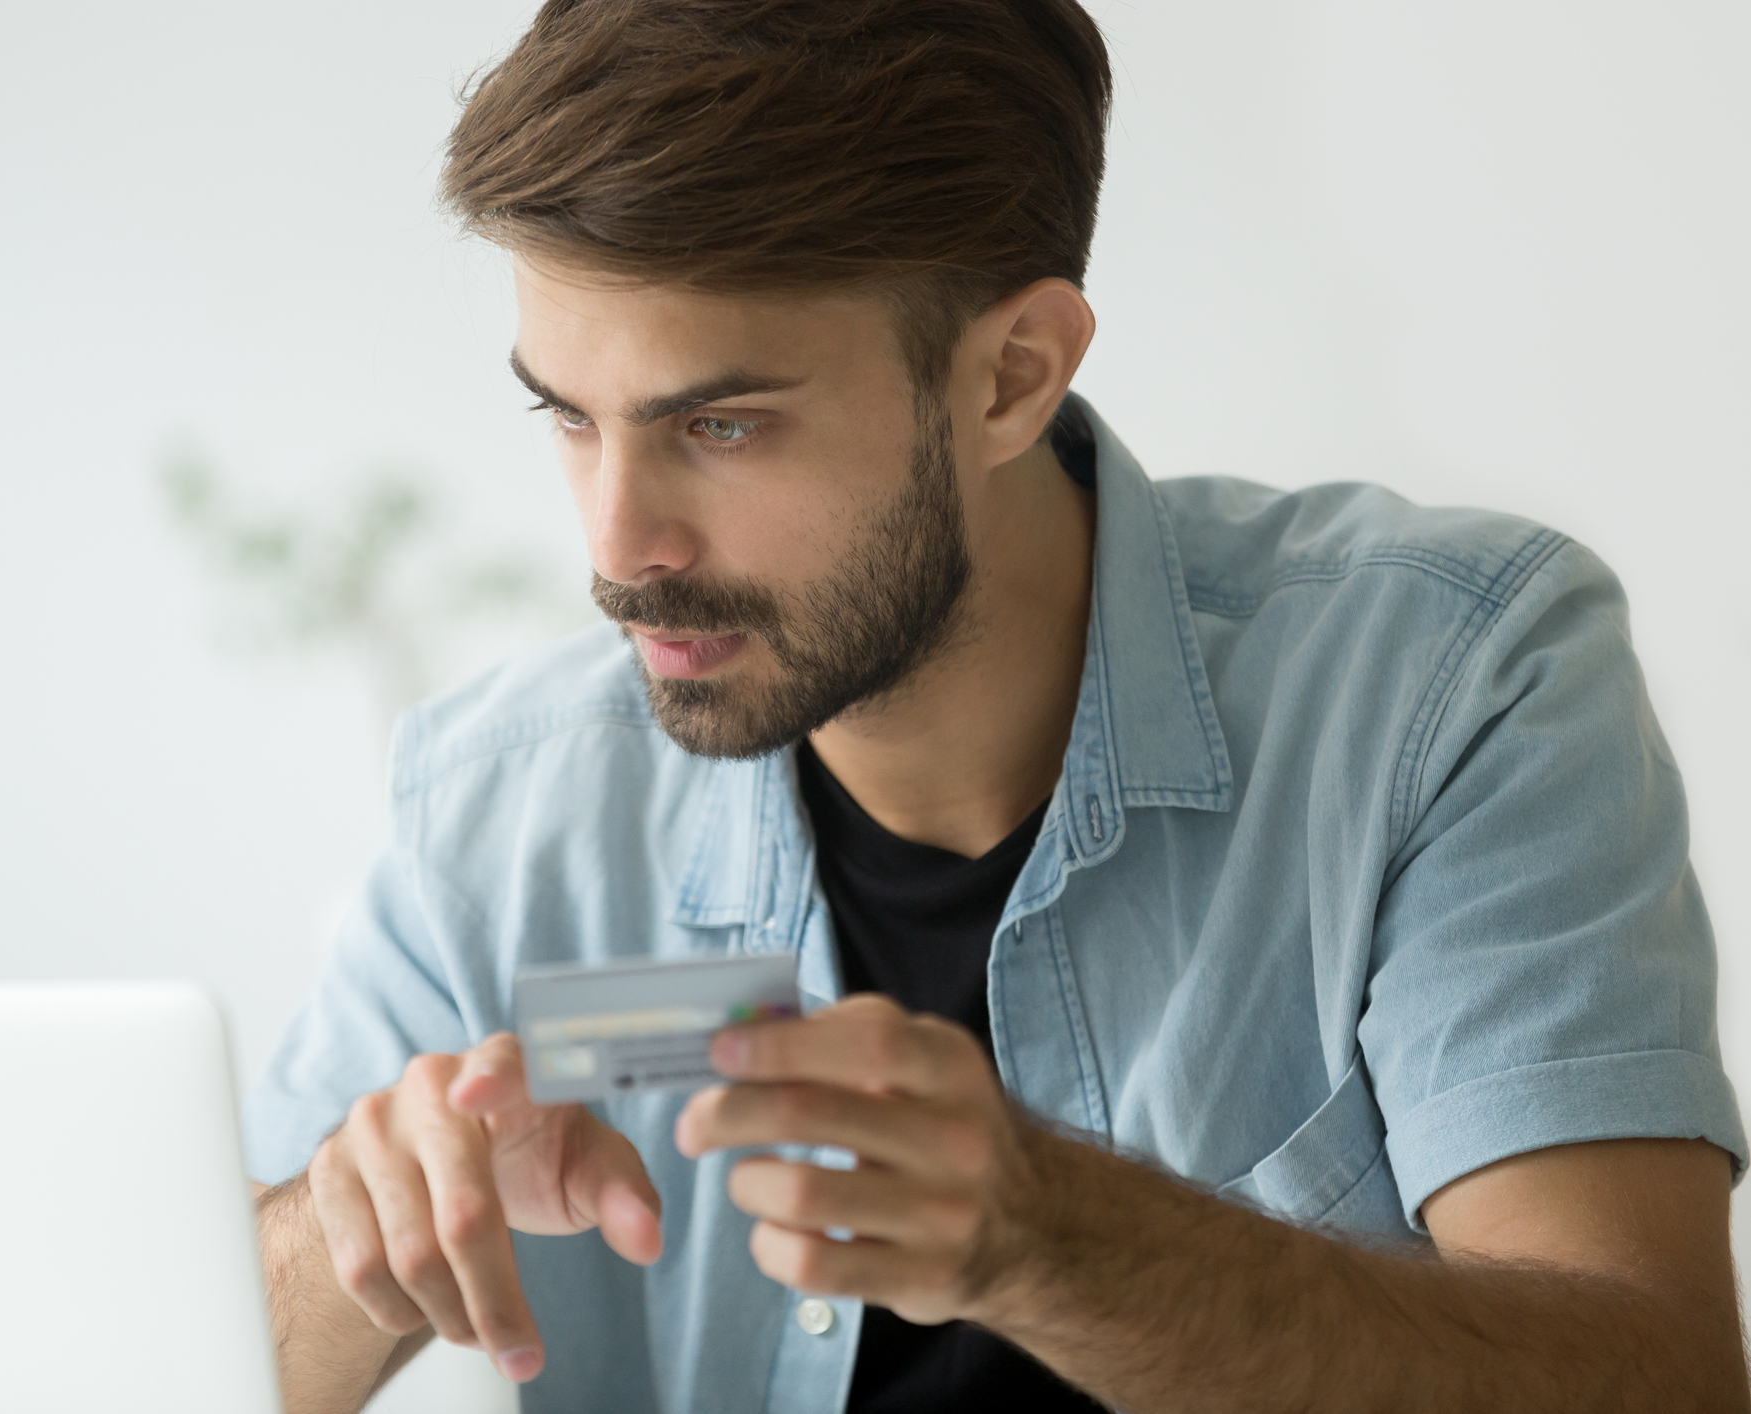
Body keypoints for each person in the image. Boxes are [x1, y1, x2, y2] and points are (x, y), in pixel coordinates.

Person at [246, 2, 1747, 1410]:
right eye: (567, 417)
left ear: (1011, 377)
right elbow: (168, 1344)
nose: (617, 546)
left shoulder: (1447, 687)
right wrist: (346, 1234)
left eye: (720, 424)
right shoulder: (504, 804)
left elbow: (1658, 1374)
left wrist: (1058, 1240)